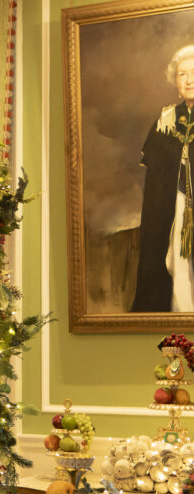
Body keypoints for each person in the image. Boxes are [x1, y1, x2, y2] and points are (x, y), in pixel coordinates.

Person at [132, 45, 194, 312]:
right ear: (175, 81)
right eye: (182, 74)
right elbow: (157, 177)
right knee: (176, 262)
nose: (189, 80)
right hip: (176, 208)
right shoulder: (166, 119)